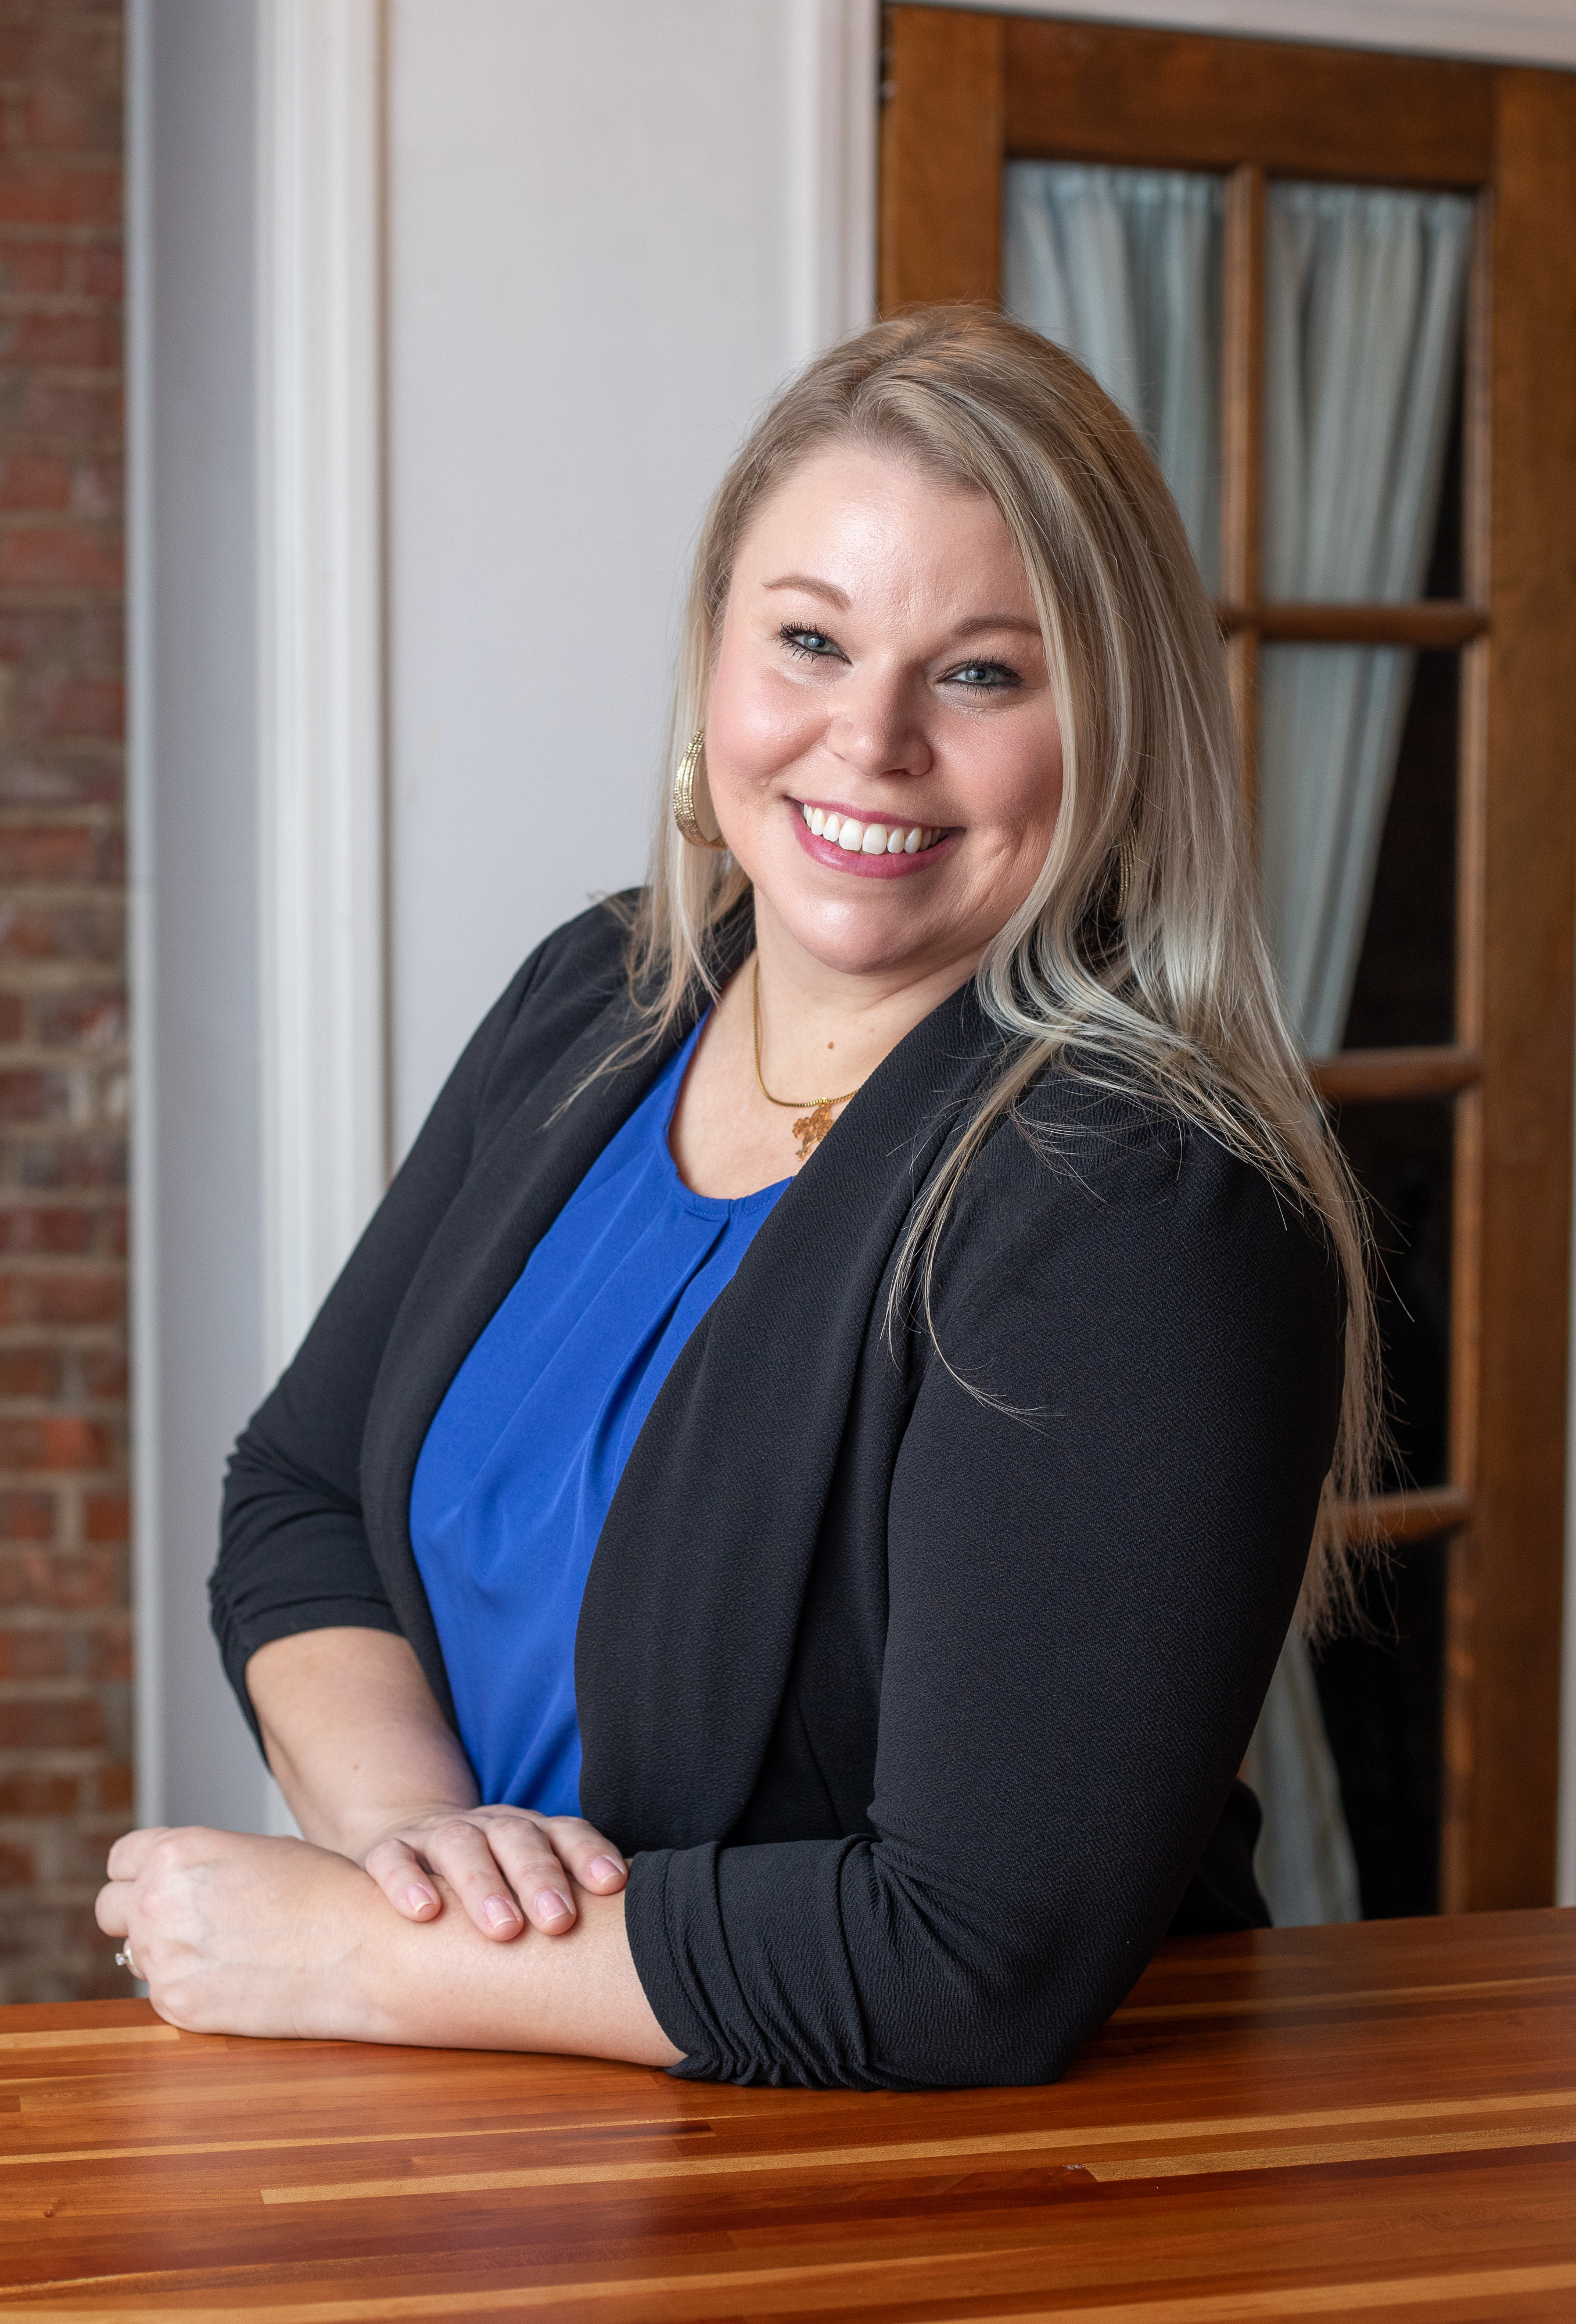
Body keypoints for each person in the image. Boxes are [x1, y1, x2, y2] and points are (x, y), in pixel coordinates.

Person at [96, 308, 1375, 2090]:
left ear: (1115, 735)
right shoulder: (599, 996)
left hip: (899, 2195)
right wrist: (419, 1850)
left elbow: (971, 1955)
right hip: (494, 2109)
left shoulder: (1144, 1205)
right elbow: (299, 1490)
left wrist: (358, 1950)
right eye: (807, 641)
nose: (868, 740)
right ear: (713, 664)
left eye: (982, 673)